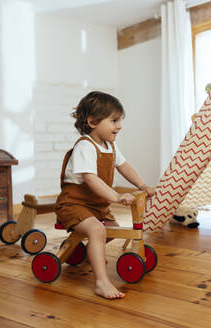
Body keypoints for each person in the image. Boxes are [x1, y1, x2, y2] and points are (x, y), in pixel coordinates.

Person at [55, 91, 155, 299]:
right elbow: (90, 179)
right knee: (97, 231)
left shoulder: (110, 146)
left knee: (113, 232)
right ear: (92, 121)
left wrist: (143, 186)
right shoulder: (85, 146)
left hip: (96, 206)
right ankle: (101, 282)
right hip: (73, 204)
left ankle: (82, 248)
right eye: (114, 120)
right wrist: (116, 196)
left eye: (119, 120)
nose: (119, 126)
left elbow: (124, 166)